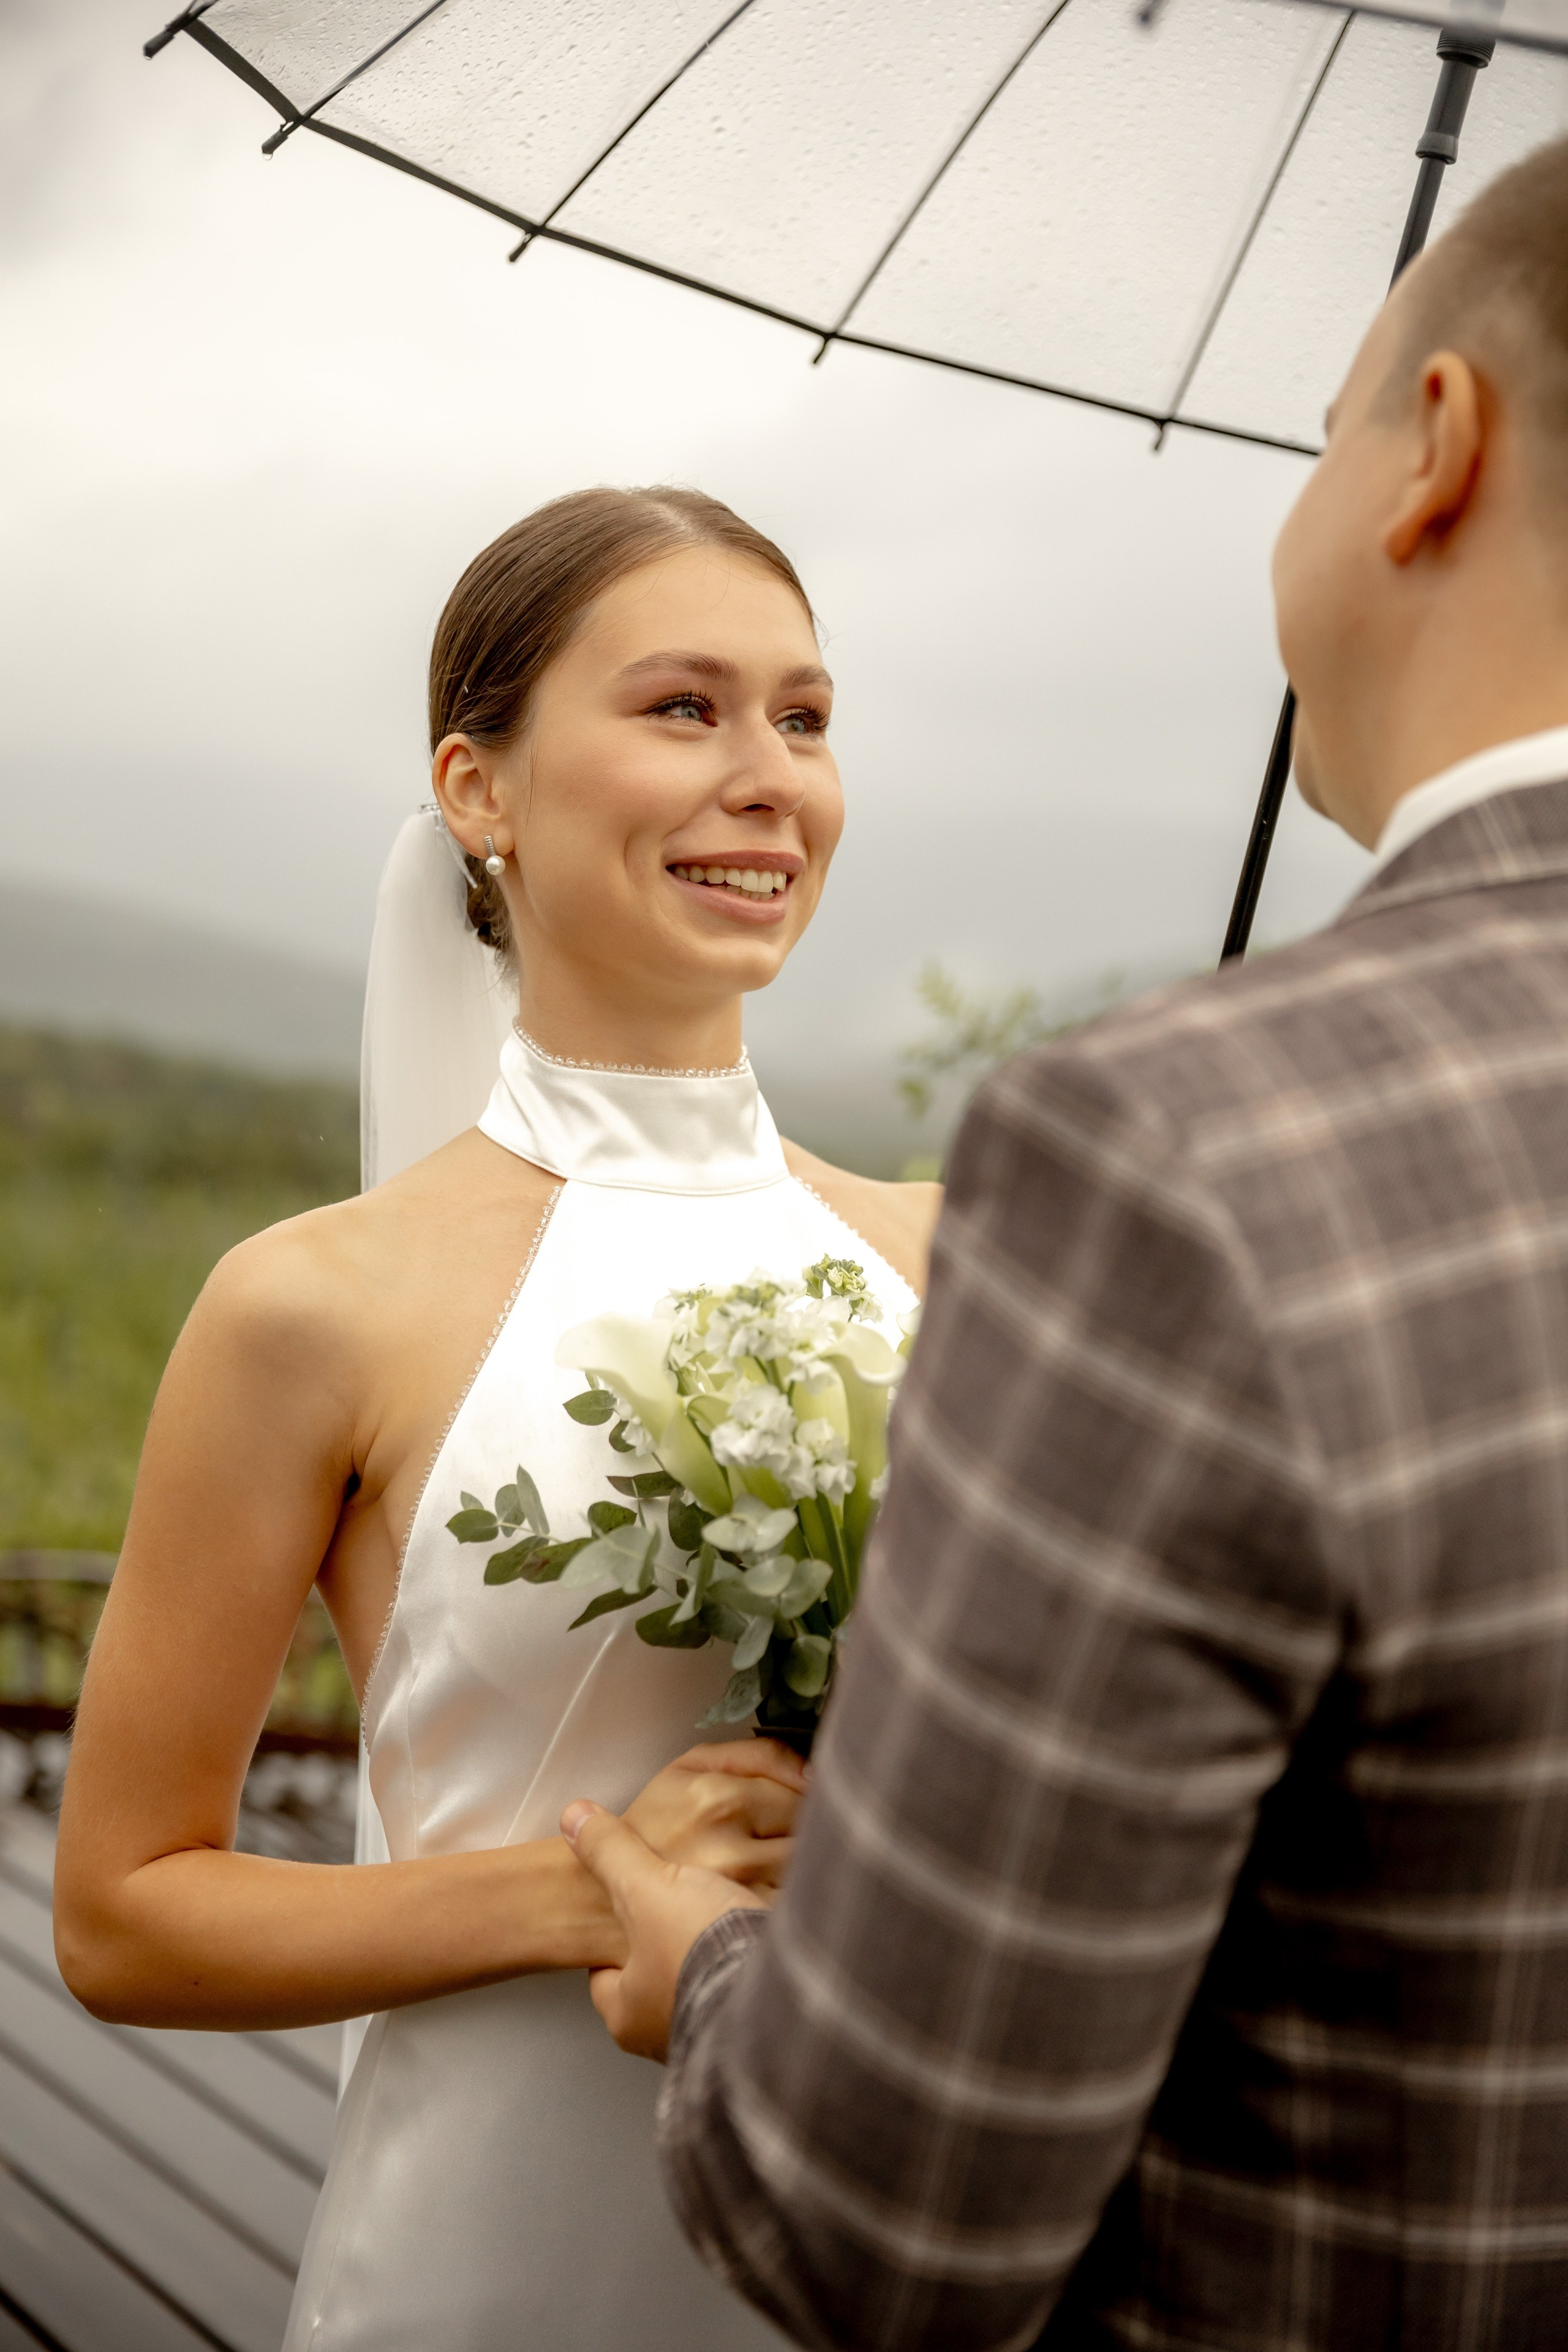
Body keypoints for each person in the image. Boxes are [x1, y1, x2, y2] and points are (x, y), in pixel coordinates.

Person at [562, 140, 1568, 2351]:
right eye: (682, 707)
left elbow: (885, 2223)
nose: (762, 773)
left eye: (1318, 438)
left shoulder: (1183, 1164)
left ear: (1435, 453)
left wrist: (701, 1961)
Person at [52, 486, 941, 2350]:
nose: (771, 774)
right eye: (684, 707)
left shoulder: (960, 1253)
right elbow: (124, 1914)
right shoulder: (314, 1304)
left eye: (806, 715)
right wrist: (575, 1897)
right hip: (498, 2268)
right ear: (479, 790)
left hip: (894, 2227)